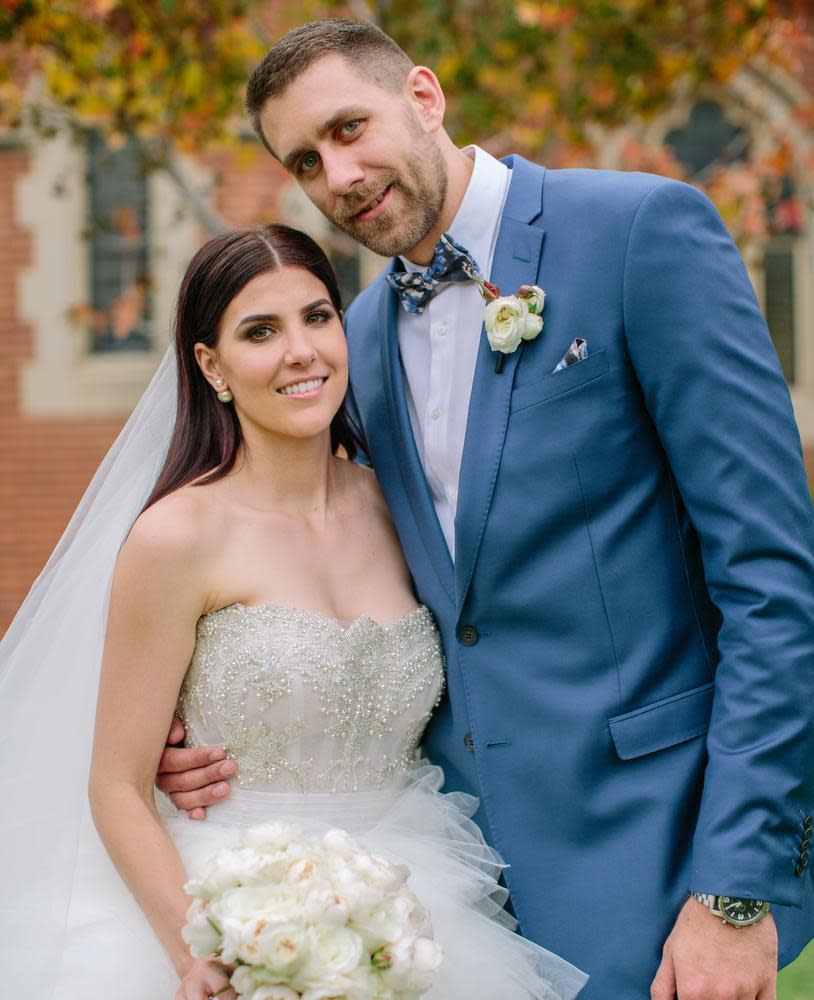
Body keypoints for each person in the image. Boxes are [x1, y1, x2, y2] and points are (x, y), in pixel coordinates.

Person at [159, 18, 814, 1000]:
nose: (336, 174)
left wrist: (733, 889)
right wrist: (208, 738)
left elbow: (771, 579)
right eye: (304, 159)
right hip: (448, 896)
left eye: (349, 127)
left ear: (423, 97)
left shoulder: (640, 231)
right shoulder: (357, 342)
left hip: (660, 856)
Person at [0, 223, 587, 1000]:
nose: (301, 351)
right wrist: (202, 953)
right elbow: (115, 783)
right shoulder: (178, 536)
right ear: (212, 365)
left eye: (317, 317)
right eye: (260, 332)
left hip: (414, 897)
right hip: (223, 899)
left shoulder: (401, 509)